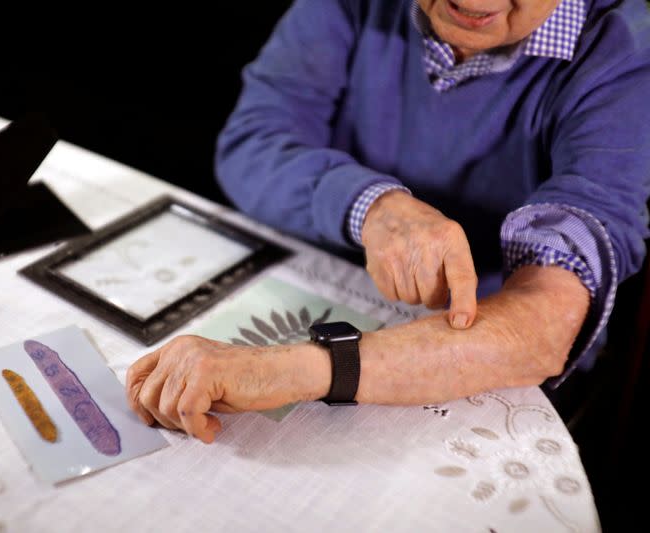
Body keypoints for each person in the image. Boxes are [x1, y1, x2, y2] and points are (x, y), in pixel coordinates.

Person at [126, 0, 650, 443]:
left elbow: (542, 329)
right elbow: (250, 145)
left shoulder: (627, 54)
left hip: (483, 361)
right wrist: (370, 207)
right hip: (324, 293)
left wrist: (286, 370)